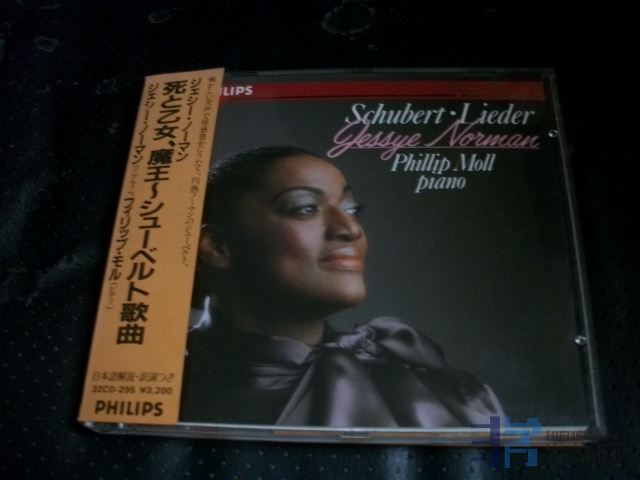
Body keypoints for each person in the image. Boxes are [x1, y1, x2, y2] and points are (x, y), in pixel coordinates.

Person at [180, 145, 504, 427]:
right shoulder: (165, 384)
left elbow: (510, 461)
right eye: (306, 208)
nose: (350, 228)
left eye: (351, 209)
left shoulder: (456, 396)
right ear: (217, 246)